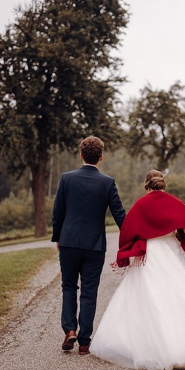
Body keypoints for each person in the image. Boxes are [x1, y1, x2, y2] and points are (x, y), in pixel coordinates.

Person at [90, 170, 185, 370]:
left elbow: (128, 230)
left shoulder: (140, 205)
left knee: (150, 298)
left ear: (146, 186)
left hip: (150, 253)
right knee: (181, 295)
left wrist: (131, 245)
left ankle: (154, 346)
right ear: (163, 185)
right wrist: (181, 234)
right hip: (171, 251)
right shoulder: (175, 202)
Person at [52, 135, 125, 354]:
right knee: (89, 291)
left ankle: (69, 330)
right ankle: (85, 341)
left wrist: (57, 238)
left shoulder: (66, 179)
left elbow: (58, 213)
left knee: (68, 286)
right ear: (101, 157)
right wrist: (133, 237)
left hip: (69, 242)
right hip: (94, 245)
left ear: (81, 154)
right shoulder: (107, 182)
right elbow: (119, 215)